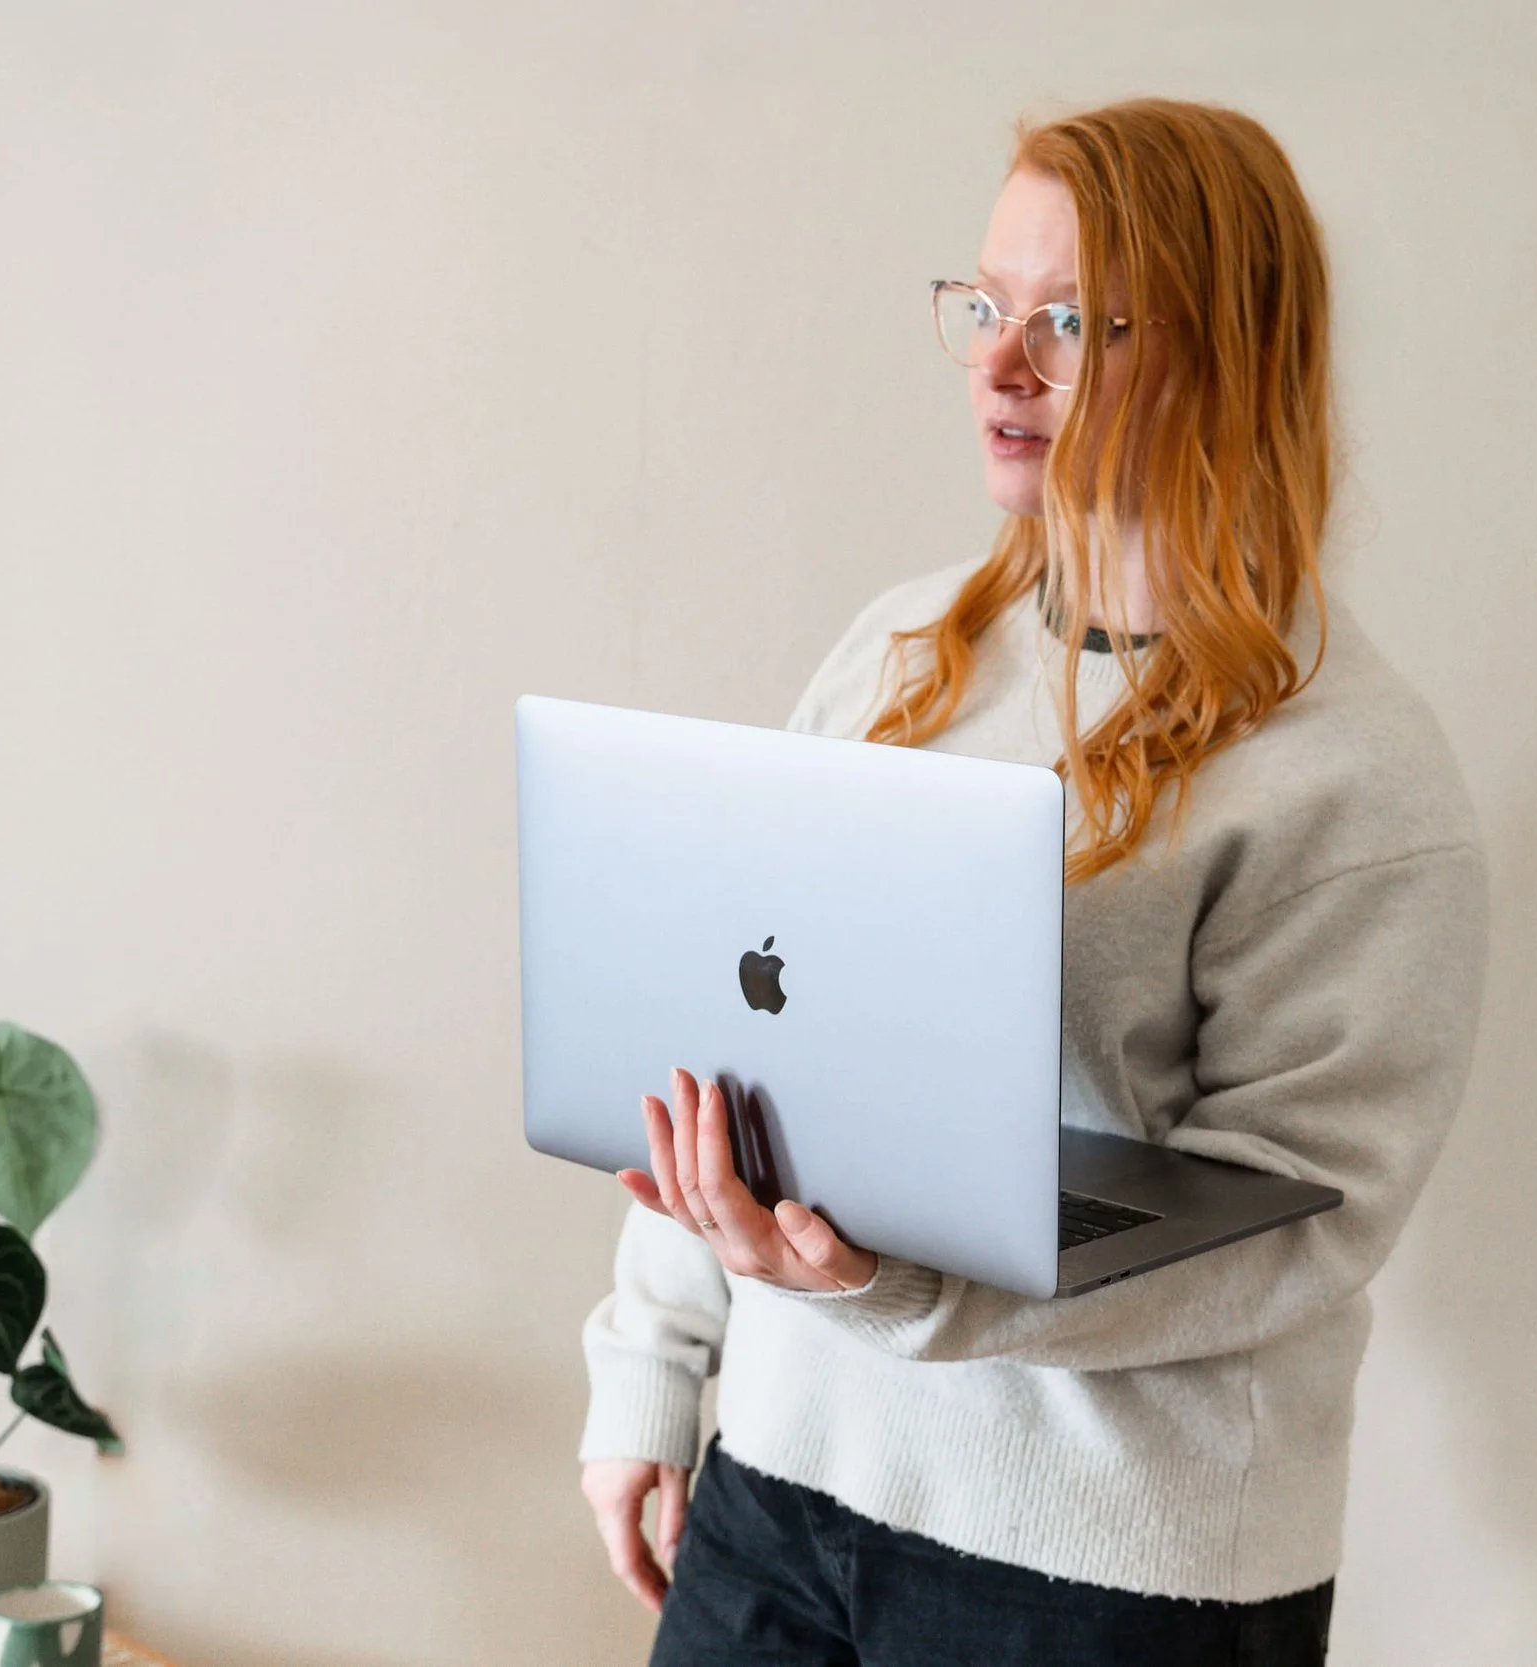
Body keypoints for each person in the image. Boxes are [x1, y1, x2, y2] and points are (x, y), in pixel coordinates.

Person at [575, 96, 1490, 1666]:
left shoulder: (1356, 783)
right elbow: (732, 1021)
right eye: (986, 306)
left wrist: (903, 1285)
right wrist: (655, 1364)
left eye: (1071, 321)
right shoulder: (900, 654)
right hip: (784, 1489)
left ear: (1222, 351)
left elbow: (1285, 1223)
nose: (1003, 364)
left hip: (1105, 1578)